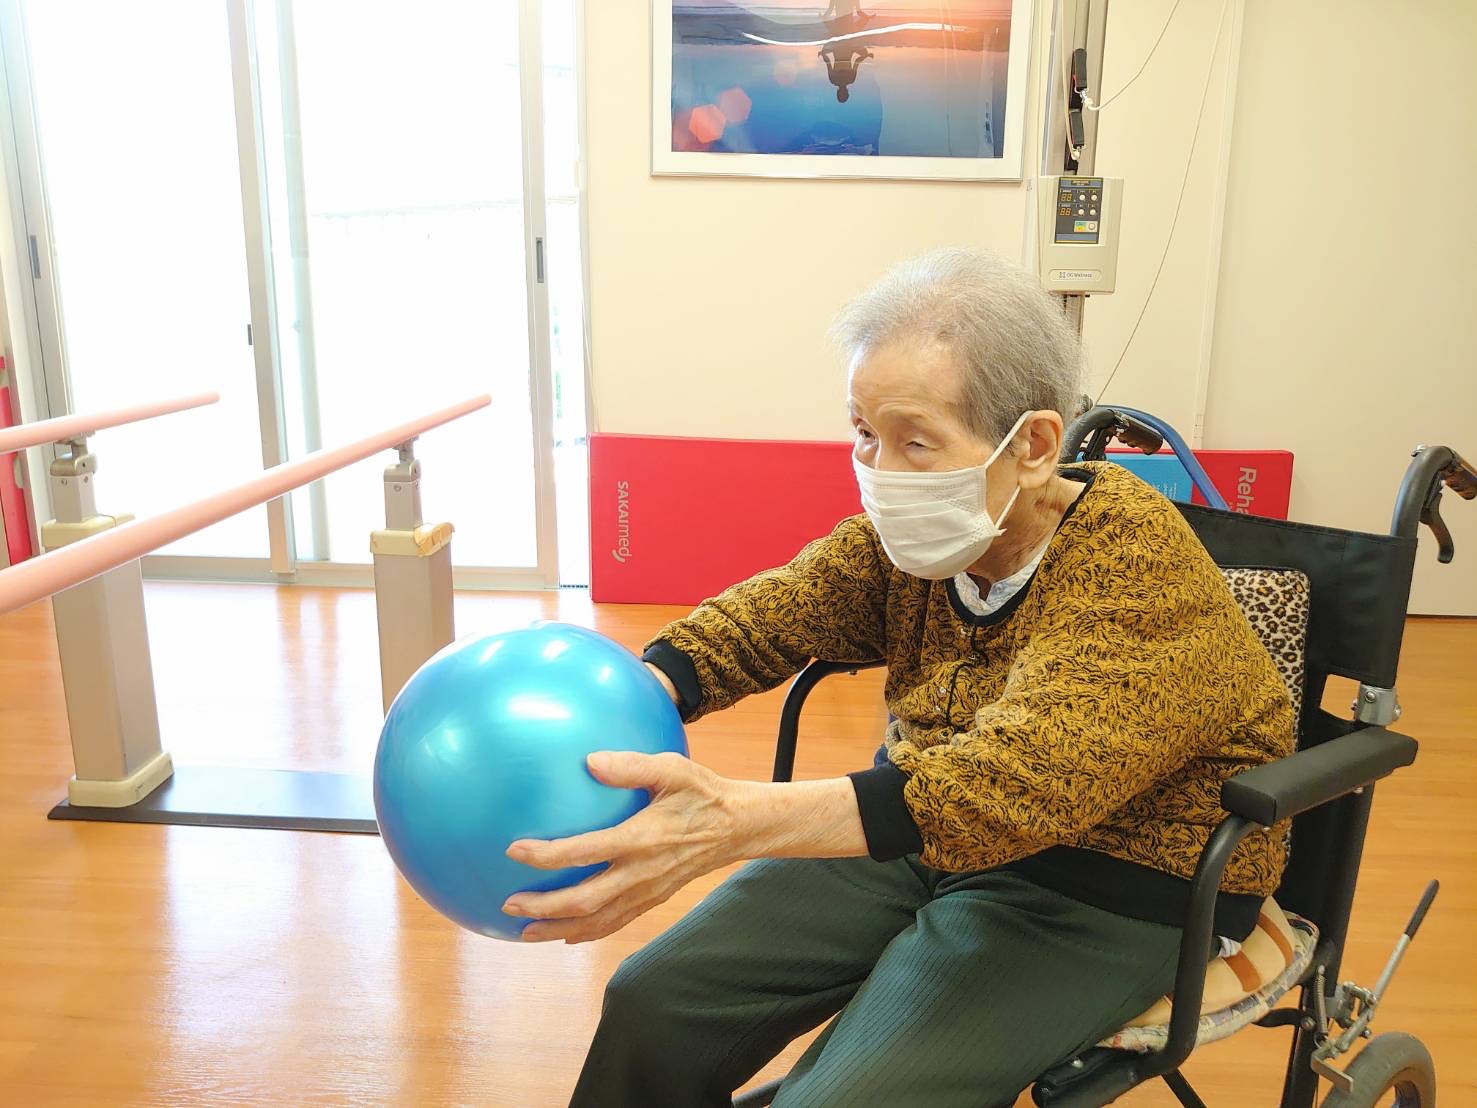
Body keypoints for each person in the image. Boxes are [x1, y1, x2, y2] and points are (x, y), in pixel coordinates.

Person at [502, 248, 1295, 1107]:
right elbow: (780, 610)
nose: (879, 472)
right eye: (864, 433)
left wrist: (731, 823)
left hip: (1109, 885)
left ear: (1032, 446)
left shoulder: (1137, 572)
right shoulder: (918, 541)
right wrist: (644, 688)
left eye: (914, 441)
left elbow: (1012, 785)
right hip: (920, 834)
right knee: (654, 1003)